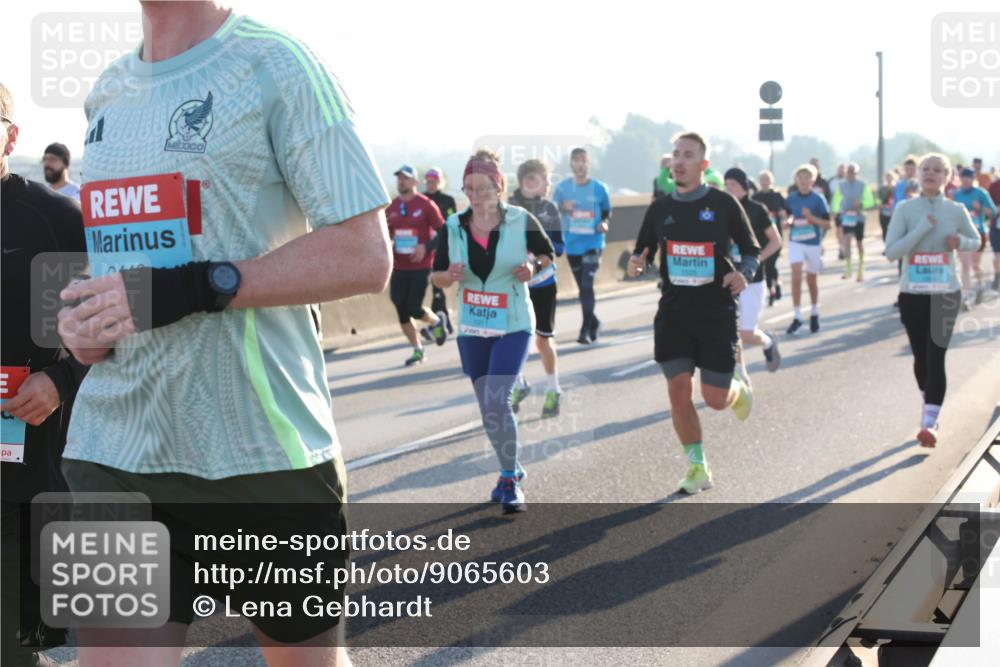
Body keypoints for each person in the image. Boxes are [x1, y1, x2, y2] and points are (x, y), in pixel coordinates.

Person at [54, 5, 392, 666]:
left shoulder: (278, 65)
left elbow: (364, 255)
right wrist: (84, 323)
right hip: (114, 451)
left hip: (261, 455)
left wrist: (188, 286)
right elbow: (118, 264)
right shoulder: (107, 89)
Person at [1, 83, 88, 667]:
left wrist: (60, 381)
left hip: (28, 449)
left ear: (9, 134)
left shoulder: (52, 218)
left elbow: (110, 323)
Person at [627, 132, 760, 495]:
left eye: (688, 155)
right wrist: (637, 263)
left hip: (715, 311)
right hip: (674, 313)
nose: (679, 160)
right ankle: (697, 467)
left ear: (703, 165)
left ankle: (736, 389)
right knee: (677, 389)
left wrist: (743, 274)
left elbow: (751, 249)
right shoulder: (659, 209)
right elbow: (641, 252)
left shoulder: (724, 204)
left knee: (715, 400)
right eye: (675, 155)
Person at [430, 149, 555, 513]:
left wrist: (532, 266)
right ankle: (511, 467)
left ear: (498, 185)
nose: (476, 195)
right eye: (469, 188)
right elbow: (435, 276)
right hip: (472, 324)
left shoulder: (521, 219)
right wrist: (447, 276)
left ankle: (509, 479)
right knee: (488, 407)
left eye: (483, 188)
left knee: (497, 399)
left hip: (514, 321)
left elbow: (547, 256)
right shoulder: (452, 226)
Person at [884, 153, 980, 447]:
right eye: (926, 168)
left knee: (936, 354)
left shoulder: (956, 209)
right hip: (912, 294)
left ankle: (929, 422)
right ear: (918, 175)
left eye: (938, 170)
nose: (930, 173)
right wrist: (922, 229)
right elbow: (892, 252)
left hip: (945, 292)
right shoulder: (905, 209)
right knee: (920, 358)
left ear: (946, 177)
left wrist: (960, 243)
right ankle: (931, 404)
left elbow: (976, 240)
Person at [508, 159, 565, 418]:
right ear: (526, 181)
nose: (546, 184)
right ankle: (519, 384)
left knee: (542, 340)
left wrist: (535, 257)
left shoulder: (549, 209)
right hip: (515, 284)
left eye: (546, 180)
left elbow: (559, 248)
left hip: (543, 283)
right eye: (542, 179)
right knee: (510, 337)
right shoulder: (508, 208)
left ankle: (553, 388)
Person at [386, 164, 448, 366]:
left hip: (421, 266)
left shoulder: (426, 205)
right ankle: (418, 349)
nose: (401, 181)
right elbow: (385, 234)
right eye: (399, 178)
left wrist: (426, 246)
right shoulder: (392, 207)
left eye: (405, 178)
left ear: (415, 182)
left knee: (413, 307)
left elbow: (443, 233)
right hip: (399, 266)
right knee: (400, 307)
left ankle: (437, 321)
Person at [724, 168, 783, 372]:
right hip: (729, 279)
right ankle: (740, 375)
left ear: (744, 187)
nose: (729, 189)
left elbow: (776, 241)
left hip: (753, 279)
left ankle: (768, 343)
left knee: (747, 333)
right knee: (731, 331)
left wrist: (755, 260)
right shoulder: (720, 209)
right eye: (726, 185)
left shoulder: (757, 209)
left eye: (733, 185)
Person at [553, 148, 611, 344]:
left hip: (594, 242)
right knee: (582, 287)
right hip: (572, 243)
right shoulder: (562, 189)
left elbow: (607, 211)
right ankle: (594, 322)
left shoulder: (600, 188)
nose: (579, 164)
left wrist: (604, 223)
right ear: (571, 164)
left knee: (587, 285)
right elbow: (552, 211)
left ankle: (584, 329)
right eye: (576, 160)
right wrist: (563, 207)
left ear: (589, 163)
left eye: (583, 160)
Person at [784, 164, 831, 334]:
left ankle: (814, 313)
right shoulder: (791, 198)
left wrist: (811, 218)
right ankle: (797, 316)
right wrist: (788, 222)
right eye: (800, 178)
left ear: (813, 180)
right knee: (795, 275)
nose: (803, 181)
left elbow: (827, 224)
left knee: (812, 280)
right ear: (796, 180)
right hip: (796, 241)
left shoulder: (818, 199)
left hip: (813, 243)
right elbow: (788, 215)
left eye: (807, 178)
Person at [952, 167, 997, 305]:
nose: (965, 180)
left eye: (968, 177)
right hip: (962, 234)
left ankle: (980, 283)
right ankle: (966, 295)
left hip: (979, 233)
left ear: (973, 179)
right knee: (965, 265)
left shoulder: (981, 193)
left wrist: (980, 208)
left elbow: (993, 213)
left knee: (975, 264)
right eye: (963, 177)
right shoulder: (957, 195)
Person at [423, 166, 457, 334]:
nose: (430, 184)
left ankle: (437, 326)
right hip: (423, 251)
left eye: (434, 181)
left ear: (440, 182)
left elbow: (452, 224)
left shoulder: (448, 200)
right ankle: (445, 322)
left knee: (437, 288)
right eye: (428, 181)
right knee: (434, 289)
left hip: (442, 248)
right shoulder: (420, 200)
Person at [832, 163, 874, 282]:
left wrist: (861, 204)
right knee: (847, 241)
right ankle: (848, 269)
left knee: (859, 243)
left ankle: (860, 270)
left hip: (859, 217)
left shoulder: (862, 185)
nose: (851, 174)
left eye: (853, 172)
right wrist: (835, 212)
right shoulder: (842, 186)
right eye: (849, 172)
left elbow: (870, 201)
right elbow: (836, 200)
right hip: (847, 217)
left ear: (857, 173)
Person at [752, 170, 786, 305]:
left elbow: (785, 212)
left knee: (771, 264)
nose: (764, 182)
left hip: (775, 236)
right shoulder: (756, 197)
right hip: (760, 238)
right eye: (762, 179)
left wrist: (784, 216)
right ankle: (770, 289)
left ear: (771, 181)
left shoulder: (777, 196)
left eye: (767, 179)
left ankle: (775, 284)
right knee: (764, 265)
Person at [879, 172, 897, 241]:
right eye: (887, 177)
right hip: (883, 212)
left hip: (894, 211)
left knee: (893, 229)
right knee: (884, 229)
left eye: (890, 177)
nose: (889, 179)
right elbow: (878, 199)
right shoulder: (882, 189)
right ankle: (886, 246)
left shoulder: (896, 188)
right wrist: (880, 203)